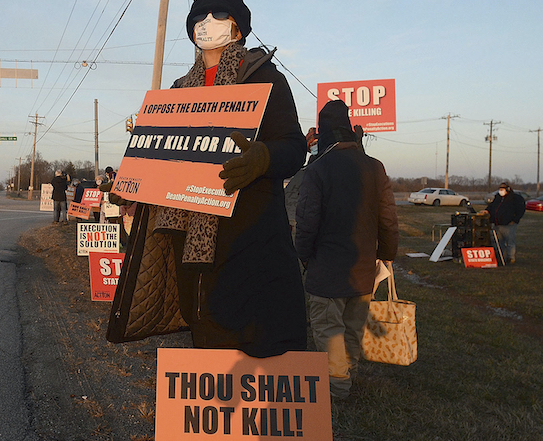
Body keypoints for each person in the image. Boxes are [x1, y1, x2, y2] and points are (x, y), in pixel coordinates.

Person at [107, 0, 308, 358]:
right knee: (207, 338)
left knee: (257, 343)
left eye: (218, 14)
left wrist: (263, 157)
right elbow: (158, 158)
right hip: (191, 249)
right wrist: (131, 185)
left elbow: (294, 148)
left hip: (250, 240)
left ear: (238, 27)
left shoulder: (266, 79)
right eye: (199, 15)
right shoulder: (178, 91)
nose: (207, 22)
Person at [295, 99, 399, 399]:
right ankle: (347, 376)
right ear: (351, 130)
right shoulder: (375, 167)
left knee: (329, 331)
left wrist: (305, 257)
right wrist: (388, 255)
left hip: (326, 270)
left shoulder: (318, 169)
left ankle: (337, 389)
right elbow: (388, 218)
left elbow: (306, 222)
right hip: (363, 269)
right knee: (353, 329)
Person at [480, 182, 525, 264]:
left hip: (509, 224)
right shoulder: (497, 198)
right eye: (500, 189)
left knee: (510, 242)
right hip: (497, 224)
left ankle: (510, 257)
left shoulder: (515, 198)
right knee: (499, 242)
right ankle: (499, 257)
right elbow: (492, 206)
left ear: (507, 189)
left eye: (502, 189)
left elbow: (520, 210)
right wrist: (486, 210)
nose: (500, 191)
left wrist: (515, 220)